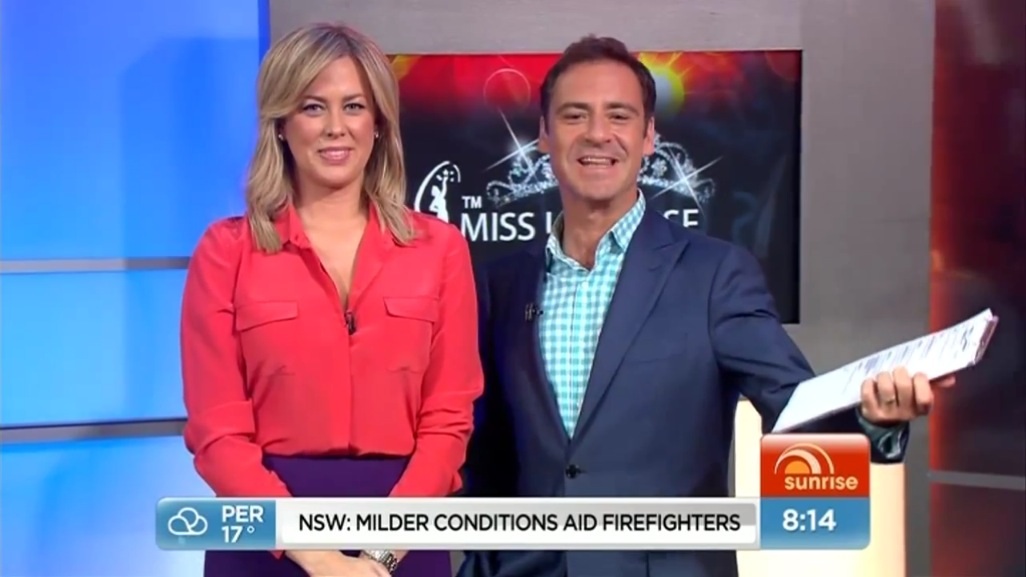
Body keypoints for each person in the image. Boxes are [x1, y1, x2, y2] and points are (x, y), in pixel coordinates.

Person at [458, 36, 958, 577]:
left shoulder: (715, 275)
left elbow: (793, 408)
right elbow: (481, 449)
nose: (598, 133)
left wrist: (872, 418)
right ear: (544, 134)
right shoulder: (499, 284)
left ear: (649, 136)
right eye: (575, 115)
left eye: (619, 115)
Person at [180, 23, 482, 577]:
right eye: (313, 107)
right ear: (281, 124)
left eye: (354, 106)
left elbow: (448, 421)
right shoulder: (226, 252)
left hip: (403, 534)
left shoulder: (440, 249)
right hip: (265, 535)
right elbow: (216, 432)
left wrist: (382, 553)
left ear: (378, 123)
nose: (335, 127)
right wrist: (316, 556)